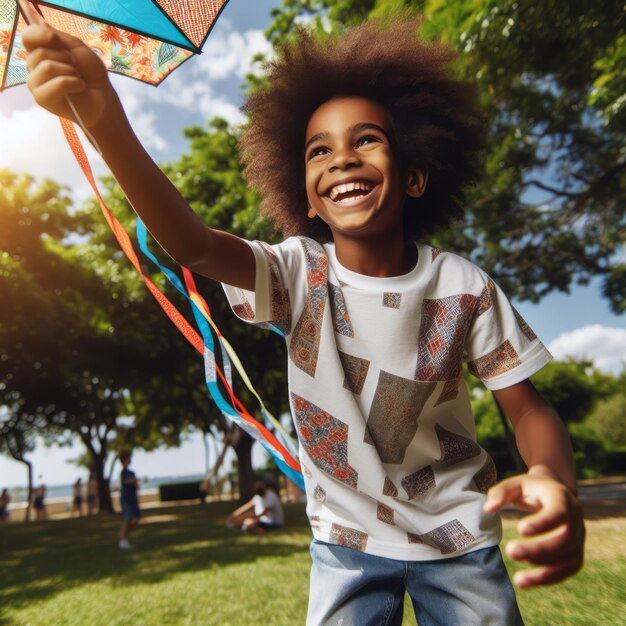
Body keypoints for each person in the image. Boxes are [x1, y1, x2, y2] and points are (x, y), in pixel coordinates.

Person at [23, 16, 585, 624]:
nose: (342, 158)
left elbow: (526, 406)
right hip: (346, 541)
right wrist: (104, 118)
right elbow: (193, 245)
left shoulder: (463, 286)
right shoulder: (297, 275)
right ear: (308, 198)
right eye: (320, 150)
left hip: (459, 537)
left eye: (366, 140)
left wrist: (557, 481)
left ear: (417, 175)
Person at [118, 450, 141, 550]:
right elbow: (128, 481)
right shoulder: (124, 472)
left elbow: (135, 485)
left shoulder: (130, 472)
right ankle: (123, 540)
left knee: (136, 519)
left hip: (132, 498)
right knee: (127, 519)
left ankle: (123, 536)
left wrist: (135, 482)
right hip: (127, 499)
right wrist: (134, 481)